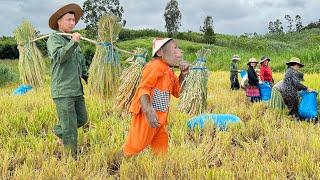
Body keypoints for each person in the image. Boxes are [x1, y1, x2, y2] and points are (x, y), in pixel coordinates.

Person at [123, 38, 190, 156]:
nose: (179, 52)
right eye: (175, 48)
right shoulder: (154, 66)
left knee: (161, 149)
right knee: (135, 147)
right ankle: (117, 163)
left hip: (160, 119)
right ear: (160, 52)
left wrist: (183, 74)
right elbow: (143, 89)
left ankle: (160, 168)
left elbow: (177, 92)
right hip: (146, 117)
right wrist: (148, 111)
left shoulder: (169, 71)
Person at [47, 3, 89, 157]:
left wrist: (88, 77)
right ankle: (72, 158)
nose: (72, 23)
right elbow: (59, 57)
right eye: (69, 20)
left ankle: (59, 131)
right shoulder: (54, 39)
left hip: (77, 90)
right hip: (63, 91)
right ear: (59, 22)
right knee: (70, 128)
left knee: (82, 118)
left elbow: (81, 63)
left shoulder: (74, 41)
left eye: (74, 20)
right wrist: (73, 42)